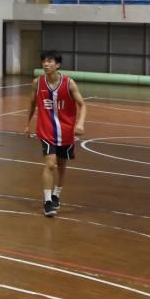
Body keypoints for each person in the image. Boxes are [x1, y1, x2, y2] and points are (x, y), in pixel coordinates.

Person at [23, 51, 87, 217]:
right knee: (50, 164)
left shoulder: (69, 83)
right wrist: (27, 124)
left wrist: (80, 123)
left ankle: (56, 195)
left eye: (50, 61)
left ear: (57, 65)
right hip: (46, 130)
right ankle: (47, 201)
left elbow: (82, 105)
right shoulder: (37, 83)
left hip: (66, 132)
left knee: (61, 166)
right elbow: (32, 104)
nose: (46, 64)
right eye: (44, 61)